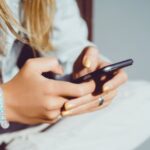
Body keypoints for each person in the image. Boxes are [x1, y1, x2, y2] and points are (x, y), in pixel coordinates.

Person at [0, 0, 132, 149]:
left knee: (142, 97)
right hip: (14, 113)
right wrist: (6, 103)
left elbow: (69, 47)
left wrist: (90, 67)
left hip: (24, 120)